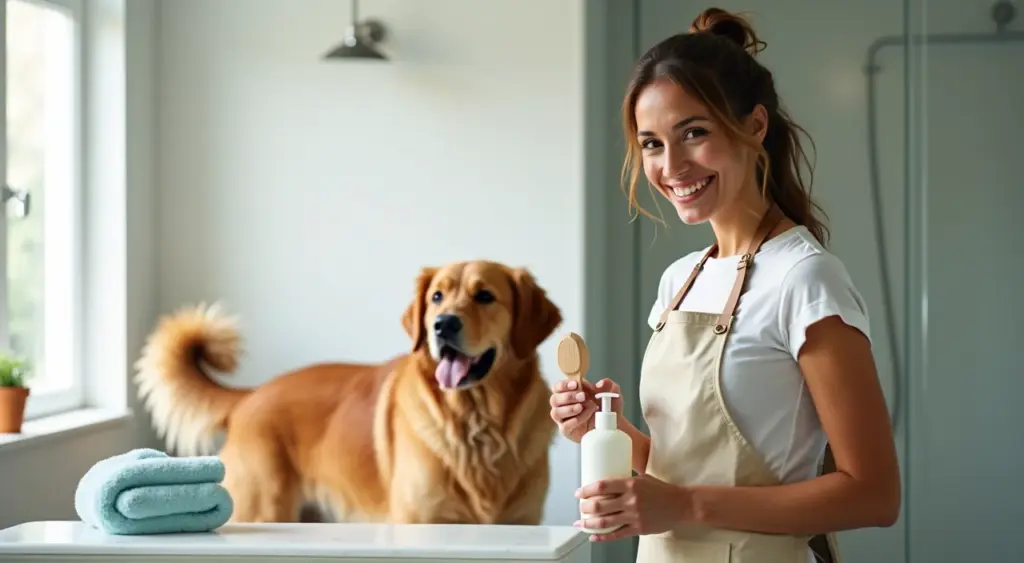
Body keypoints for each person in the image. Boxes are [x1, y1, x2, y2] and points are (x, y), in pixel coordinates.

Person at [549, 7, 901, 563]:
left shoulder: (804, 277)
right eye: (652, 143)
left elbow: (874, 494)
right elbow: (683, 470)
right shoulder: (680, 280)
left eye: (694, 133)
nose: (672, 166)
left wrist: (684, 505)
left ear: (755, 126)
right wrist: (608, 430)